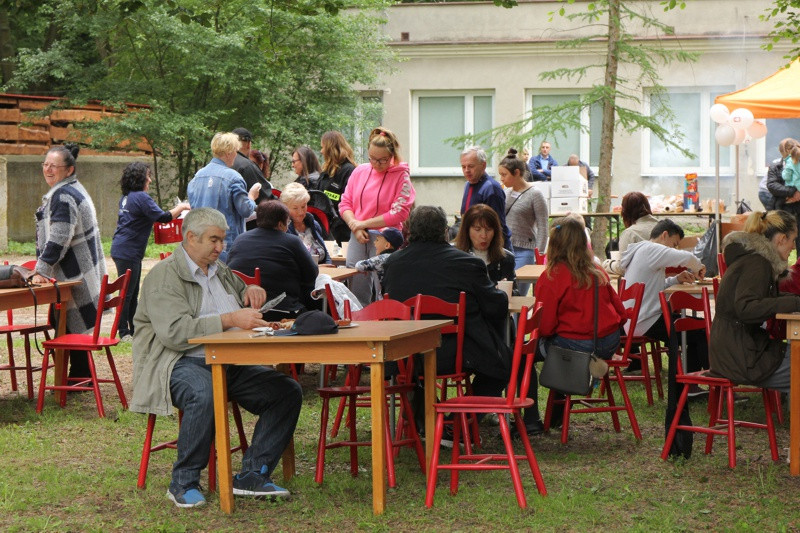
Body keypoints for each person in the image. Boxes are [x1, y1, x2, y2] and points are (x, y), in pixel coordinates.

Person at [130, 207, 302, 508]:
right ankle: (183, 481)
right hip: (176, 362)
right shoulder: (164, 276)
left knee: (286, 391)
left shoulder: (218, 269)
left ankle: (252, 475)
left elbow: (239, 293)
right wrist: (229, 318)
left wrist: (252, 288)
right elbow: (175, 333)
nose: (220, 247)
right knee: (204, 391)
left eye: (222, 240)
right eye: (214, 240)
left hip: (224, 362)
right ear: (191, 238)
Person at [383, 206, 511, 406]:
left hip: (405, 355)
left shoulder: (393, 264)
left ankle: (428, 418)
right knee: (503, 366)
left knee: (412, 375)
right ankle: (459, 421)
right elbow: (496, 306)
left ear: (410, 231)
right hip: (454, 352)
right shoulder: (466, 263)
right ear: (445, 231)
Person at [534, 217, 628, 435]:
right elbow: (621, 313)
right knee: (560, 346)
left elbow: (546, 327)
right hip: (607, 343)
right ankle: (555, 414)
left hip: (574, 347)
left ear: (553, 242)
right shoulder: (597, 271)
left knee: (524, 354)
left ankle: (530, 420)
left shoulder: (552, 276)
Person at [31, 145, 106, 381]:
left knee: (64, 322)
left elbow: (59, 237)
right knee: (62, 320)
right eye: (45, 164)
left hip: (75, 274)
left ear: (69, 169)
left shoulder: (64, 195)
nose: (48, 169)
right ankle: (78, 375)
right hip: (79, 272)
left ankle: (77, 377)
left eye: (54, 166)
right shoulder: (72, 189)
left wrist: (41, 268)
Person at [710, 210, 800, 393]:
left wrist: (796, 300)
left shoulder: (755, 259)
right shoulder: (758, 263)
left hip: (735, 351)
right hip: (741, 357)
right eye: (793, 240)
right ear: (782, 239)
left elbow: (765, 299)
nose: (793, 247)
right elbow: (746, 307)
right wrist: (796, 303)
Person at [110, 162, 190, 341]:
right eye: (148, 175)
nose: (150, 179)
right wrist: (183, 207)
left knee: (131, 291)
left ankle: (135, 329)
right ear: (140, 178)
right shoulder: (141, 197)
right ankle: (123, 332)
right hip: (128, 250)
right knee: (128, 293)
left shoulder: (127, 196)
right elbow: (164, 217)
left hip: (123, 248)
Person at [619, 219, 708, 377]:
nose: (674, 248)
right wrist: (699, 267)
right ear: (664, 235)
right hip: (647, 320)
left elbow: (653, 286)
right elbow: (687, 258)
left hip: (638, 320)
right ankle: (705, 382)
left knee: (699, 328)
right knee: (703, 330)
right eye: (674, 244)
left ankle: (689, 384)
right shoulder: (651, 249)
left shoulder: (642, 250)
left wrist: (676, 279)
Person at [339, 126, 415, 304]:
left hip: (385, 236)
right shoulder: (359, 171)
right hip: (358, 233)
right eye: (372, 158)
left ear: (392, 156)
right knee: (356, 277)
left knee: (383, 282)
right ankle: (359, 319)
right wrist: (355, 226)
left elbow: (399, 212)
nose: (375, 164)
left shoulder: (401, 176)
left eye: (382, 160)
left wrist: (362, 223)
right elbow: (345, 203)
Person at [228, 201, 320, 319]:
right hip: (283, 311)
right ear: (280, 224)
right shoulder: (292, 241)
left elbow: (229, 271)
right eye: (288, 222)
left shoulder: (240, 239)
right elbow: (312, 275)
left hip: (243, 310)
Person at [187, 132, 261, 263]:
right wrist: (251, 197)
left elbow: (193, 209)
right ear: (229, 152)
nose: (236, 155)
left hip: (201, 243)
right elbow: (246, 210)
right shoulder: (233, 177)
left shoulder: (197, 177)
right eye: (235, 151)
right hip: (226, 245)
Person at [497, 148, 548, 295]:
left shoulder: (535, 194)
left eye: (504, 175)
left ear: (517, 173)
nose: (501, 178)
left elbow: (543, 226)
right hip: (504, 249)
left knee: (518, 292)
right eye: (500, 174)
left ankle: (522, 318)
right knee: (505, 293)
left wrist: (539, 254)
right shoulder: (504, 193)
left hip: (524, 251)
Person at [459, 145, 512, 250]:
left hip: (491, 250)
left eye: (471, 166)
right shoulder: (468, 185)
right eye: (463, 167)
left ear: (483, 166)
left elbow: (497, 226)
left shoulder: (491, 188)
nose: (466, 170)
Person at [455, 204, 516, 288]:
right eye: (477, 229)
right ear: (467, 231)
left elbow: (516, 294)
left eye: (488, 229)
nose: (484, 235)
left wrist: (506, 290)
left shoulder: (506, 258)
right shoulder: (455, 257)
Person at [602, 191, 659, 275]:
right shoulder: (664, 227)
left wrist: (607, 264)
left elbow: (623, 268)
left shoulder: (630, 233)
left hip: (643, 283)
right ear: (647, 206)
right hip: (665, 281)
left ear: (625, 212)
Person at [280, 183, 332, 265]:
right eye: (295, 208)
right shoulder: (282, 229)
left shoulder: (314, 224)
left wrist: (329, 268)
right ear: (285, 207)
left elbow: (326, 254)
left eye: (303, 206)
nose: (301, 212)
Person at [232, 127, 273, 230]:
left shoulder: (218, 165)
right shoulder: (246, 166)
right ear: (249, 144)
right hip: (246, 227)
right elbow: (266, 197)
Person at [317, 131, 356, 216]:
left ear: (330, 149)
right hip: (324, 224)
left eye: (323, 147)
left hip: (340, 225)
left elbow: (350, 202)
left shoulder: (348, 170)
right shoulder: (326, 170)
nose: (321, 151)